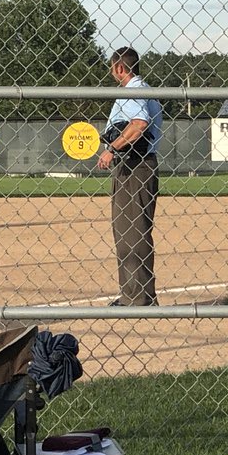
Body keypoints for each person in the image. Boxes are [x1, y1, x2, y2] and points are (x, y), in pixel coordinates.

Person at [96, 47, 162, 306]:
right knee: (133, 230)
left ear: (120, 68)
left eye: (112, 68)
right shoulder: (143, 89)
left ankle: (137, 298)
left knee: (130, 232)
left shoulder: (132, 90)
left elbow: (139, 123)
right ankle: (139, 295)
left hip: (134, 166)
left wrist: (112, 148)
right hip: (139, 166)